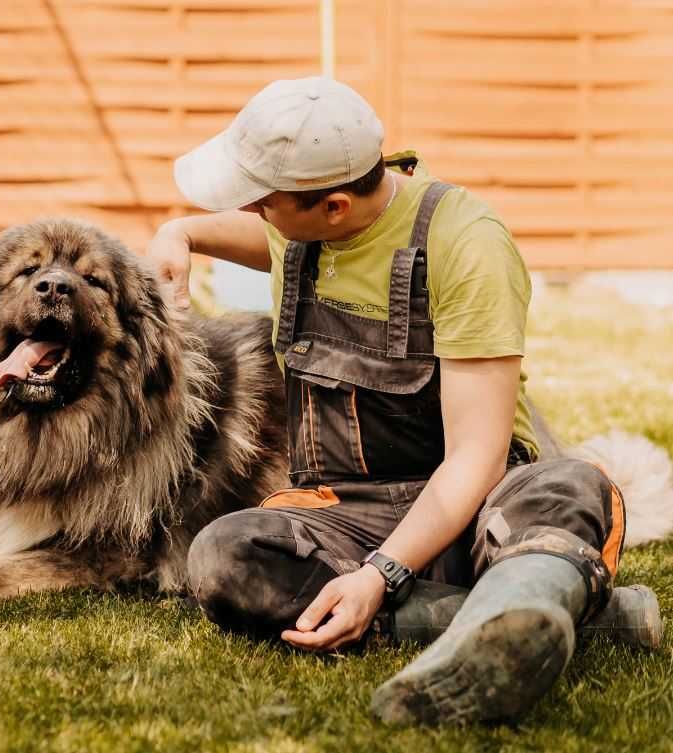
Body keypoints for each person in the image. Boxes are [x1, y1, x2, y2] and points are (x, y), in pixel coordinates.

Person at [147, 76, 662, 725]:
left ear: (333, 207)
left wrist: (379, 577)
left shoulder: (465, 242)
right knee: (222, 555)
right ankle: (520, 613)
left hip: (479, 501)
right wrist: (179, 232)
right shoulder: (299, 223)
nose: (251, 215)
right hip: (347, 509)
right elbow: (261, 234)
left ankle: (497, 606)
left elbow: (475, 457)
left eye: (261, 204)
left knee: (563, 489)